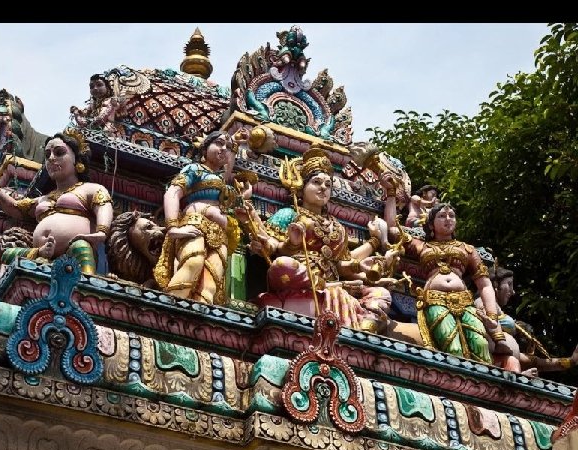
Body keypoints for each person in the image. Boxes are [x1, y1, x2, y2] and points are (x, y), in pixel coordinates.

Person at [246, 146, 398, 333]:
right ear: (302, 188)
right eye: (316, 182)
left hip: (332, 281)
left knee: (381, 294)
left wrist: (361, 265)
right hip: (298, 275)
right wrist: (291, 244)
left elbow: (340, 264)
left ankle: (365, 326)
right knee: (282, 265)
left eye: (328, 185)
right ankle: (330, 289)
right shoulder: (290, 214)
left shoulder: (337, 226)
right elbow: (271, 247)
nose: (323, 188)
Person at [384, 200, 518, 370]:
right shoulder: (422, 246)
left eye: (452, 215)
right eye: (441, 216)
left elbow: (484, 285)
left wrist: (493, 320)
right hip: (435, 301)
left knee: (480, 345)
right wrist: (391, 193)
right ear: (431, 223)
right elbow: (392, 229)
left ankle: (481, 388)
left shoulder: (467, 250)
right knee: (452, 347)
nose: (448, 219)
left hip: (465, 303)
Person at [0, 128, 112, 276]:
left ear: (77, 160)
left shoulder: (89, 189)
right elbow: (13, 207)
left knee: (81, 246)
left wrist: (101, 232)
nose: (51, 158)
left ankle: (88, 287)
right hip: (41, 255)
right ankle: (40, 255)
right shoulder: (43, 199)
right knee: (6, 254)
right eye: (47, 155)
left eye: (59, 152)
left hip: (76, 252)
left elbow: (103, 206)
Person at [154, 130, 249, 305]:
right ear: (204, 149)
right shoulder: (195, 169)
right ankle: (170, 309)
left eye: (227, 147)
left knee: (211, 282)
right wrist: (173, 227)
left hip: (220, 234)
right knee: (193, 263)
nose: (223, 149)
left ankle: (197, 321)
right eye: (219, 143)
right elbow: (173, 192)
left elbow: (228, 176)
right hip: (195, 224)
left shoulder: (223, 183)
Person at [476, 266, 578, 376]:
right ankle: (518, 378)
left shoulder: (495, 309)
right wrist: (500, 341)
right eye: (509, 284)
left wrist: (571, 361)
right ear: (495, 285)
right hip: (487, 359)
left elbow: (538, 363)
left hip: (507, 363)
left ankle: (517, 377)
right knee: (513, 362)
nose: (513, 291)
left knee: (529, 362)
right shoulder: (482, 302)